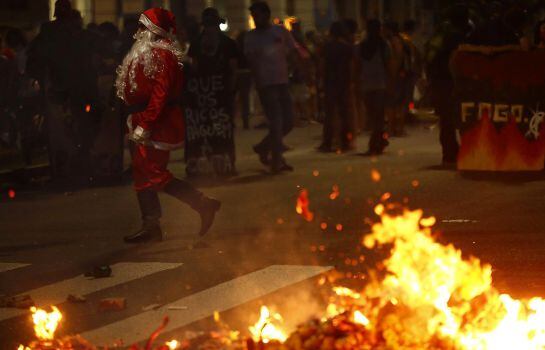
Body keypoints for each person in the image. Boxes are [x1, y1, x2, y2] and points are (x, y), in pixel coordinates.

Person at [115, 7, 221, 243]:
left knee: (152, 172)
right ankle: (151, 224)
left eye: (144, 26)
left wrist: (146, 125)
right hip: (141, 118)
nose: (138, 31)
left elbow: (160, 94)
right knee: (141, 173)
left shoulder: (162, 54)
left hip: (155, 122)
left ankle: (202, 204)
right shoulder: (143, 51)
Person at [244, 1, 298, 173]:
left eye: (257, 14)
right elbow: (251, 62)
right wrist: (258, 81)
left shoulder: (280, 31)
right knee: (276, 123)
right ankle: (277, 160)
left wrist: (300, 68)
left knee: (288, 121)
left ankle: (263, 146)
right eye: (253, 15)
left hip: (282, 82)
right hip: (266, 85)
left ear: (266, 15)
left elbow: (294, 50)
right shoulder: (251, 37)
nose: (255, 18)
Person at [185, 7, 238, 177]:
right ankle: (203, 162)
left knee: (223, 128)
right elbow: (193, 67)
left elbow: (233, 68)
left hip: (221, 94)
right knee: (203, 127)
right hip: (202, 95)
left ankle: (226, 162)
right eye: (208, 25)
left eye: (212, 25)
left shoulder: (228, 44)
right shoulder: (196, 44)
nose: (210, 28)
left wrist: (232, 89)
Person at [426, 5, 470, 164]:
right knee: (461, 119)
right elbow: (454, 61)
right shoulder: (457, 37)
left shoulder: (440, 35)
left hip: (437, 82)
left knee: (446, 121)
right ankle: (460, 153)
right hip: (451, 83)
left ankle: (449, 154)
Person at [317, 21, 355, 153]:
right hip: (343, 82)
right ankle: (345, 141)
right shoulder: (347, 47)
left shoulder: (326, 47)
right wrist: (351, 81)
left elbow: (322, 66)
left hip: (330, 83)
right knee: (344, 113)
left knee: (329, 114)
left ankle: (327, 142)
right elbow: (351, 67)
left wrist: (321, 80)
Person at [357, 19, 390, 155]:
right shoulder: (383, 44)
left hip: (366, 84)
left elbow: (357, 65)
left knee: (372, 115)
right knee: (379, 116)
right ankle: (376, 143)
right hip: (380, 83)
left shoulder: (362, 45)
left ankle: (379, 141)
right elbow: (389, 63)